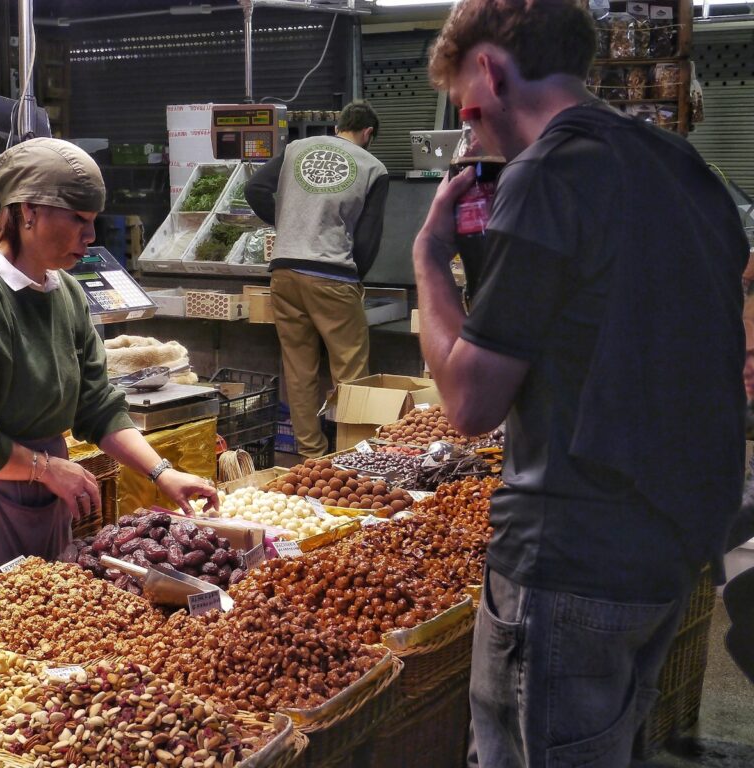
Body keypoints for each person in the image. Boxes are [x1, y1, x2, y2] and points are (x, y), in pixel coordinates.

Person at [413, 1, 748, 766]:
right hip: (666, 546)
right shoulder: (683, 165)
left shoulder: (551, 170)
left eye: (466, 112)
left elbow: (469, 401)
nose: (472, 137)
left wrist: (431, 259)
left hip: (569, 559)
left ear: (491, 72)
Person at [0, 137, 218, 615]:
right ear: (28, 211)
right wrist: (46, 468)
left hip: (34, 500)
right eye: (78, 220)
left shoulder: (62, 291)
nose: (90, 237)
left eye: (92, 221)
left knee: (37, 636)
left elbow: (96, 403)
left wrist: (162, 473)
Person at [245, 100, 389, 458]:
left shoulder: (296, 148)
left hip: (284, 272)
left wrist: (286, 224)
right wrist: (357, 276)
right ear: (368, 133)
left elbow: (254, 190)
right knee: (351, 372)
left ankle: (311, 457)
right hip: (333, 275)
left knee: (299, 368)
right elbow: (370, 237)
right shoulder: (372, 166)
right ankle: (353, 457)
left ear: (339, 124)